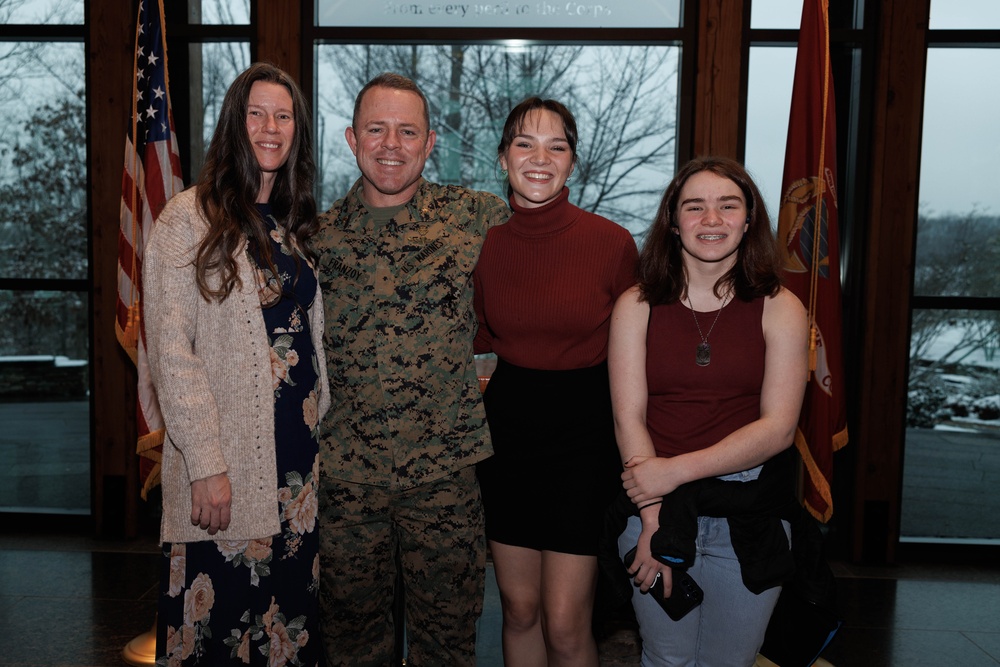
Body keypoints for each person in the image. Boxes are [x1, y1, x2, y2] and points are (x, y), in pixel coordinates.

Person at [313, 72, 509, 666]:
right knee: (352, 647)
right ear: (351, 139)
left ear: (429, 144)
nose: (391, 145)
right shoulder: (315, 239)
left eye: (407, 132)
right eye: (377, 129)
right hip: (347, 480)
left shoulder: (477, 220)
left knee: (447, 646)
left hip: (444, 480)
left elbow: (550, 266)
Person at [144, 62, 330, 665]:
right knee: (221, 638)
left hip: (296, 475)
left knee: (286, 639)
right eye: (256, 113)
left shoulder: (292, 226)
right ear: (233, 123)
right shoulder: (188, 220)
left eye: (283, 116)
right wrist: (205, 464)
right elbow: (173, 353)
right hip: (227, 473)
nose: (270, 127)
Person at [608, 156, 809, 666]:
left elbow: (779, 428)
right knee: (665, 659)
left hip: (750, 516)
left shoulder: (781, 306)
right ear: (673, 222)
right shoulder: (636, 304)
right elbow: (628, 417)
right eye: (694, 207)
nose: (711, 220)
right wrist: (653, 521)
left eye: (728, 206)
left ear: (749, 220)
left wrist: (672, 473)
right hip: (653, 510)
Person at [472, 97, 638, 666]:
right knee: (519, 610)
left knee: (567, 623)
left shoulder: (613, 245)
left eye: (557, 146)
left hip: (584, 438)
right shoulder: (485, 244)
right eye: (525, 143)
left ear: (573, 162)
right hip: (509, 434)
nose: (540, 158)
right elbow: (474, 342)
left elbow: (640, 354)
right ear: (502, 158)